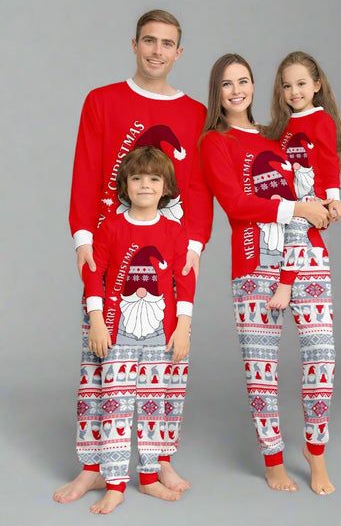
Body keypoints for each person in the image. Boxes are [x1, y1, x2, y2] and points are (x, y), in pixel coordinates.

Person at [54, 9, 212, 504]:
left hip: (168, 252)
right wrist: (83, 239)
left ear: (179, 52)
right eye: (149, 41)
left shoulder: (192, 113)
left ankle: (157, 461)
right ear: (134, 44)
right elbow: (86, 168)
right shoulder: (102, 101)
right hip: (109, 249)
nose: (157, 51)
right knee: (99, 366)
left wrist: (194, 245)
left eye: (167, 43)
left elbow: (197, 185)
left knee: (166, 365)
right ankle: (94, 467)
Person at [199, 53, 334, 494]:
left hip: (307, 256)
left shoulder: (277, 135)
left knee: (322, 357)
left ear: (257, 86)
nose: (236, 90)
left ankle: (315, 452)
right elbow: (237, 205)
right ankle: (273, 459)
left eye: (244, 80)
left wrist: (325, 205)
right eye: (226, 84)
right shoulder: (214, 142)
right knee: (262, 369)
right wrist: (298, 206)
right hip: (255, 263)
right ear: (216, 92)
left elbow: (313, 176)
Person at [84, 146, 195, 513]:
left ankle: (148, 478)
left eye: (153, 178)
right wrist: (98, 320)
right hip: (118, 333)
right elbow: (94, 275)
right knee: (115, 406)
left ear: (165, 187)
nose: (144, 185)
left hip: (161, 335)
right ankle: (115, 483)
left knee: (154, 405)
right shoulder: (111, 227)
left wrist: (183, 326)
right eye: (136, 178)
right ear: (125, 185)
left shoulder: (175, 231)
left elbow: (184, 279)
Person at [264, 50, 341, 311]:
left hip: (314, 197)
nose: (294, 92)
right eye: (287, 86)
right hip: (290, 199)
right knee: (290, 226)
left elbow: (328, 158)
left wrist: (334, 198)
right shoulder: (283, 125)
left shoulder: (321, 119)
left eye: (301, 84)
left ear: (316, 85)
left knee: (298, 224)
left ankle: (286, 284)